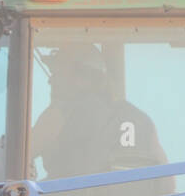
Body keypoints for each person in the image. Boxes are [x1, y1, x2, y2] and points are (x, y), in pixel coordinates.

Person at [31, 43, 171, 187]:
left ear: (83, 78)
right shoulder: (141, 120)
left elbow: (19, 156)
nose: (50, 80)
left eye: (58, 73)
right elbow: (166, 182)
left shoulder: (59, 115)